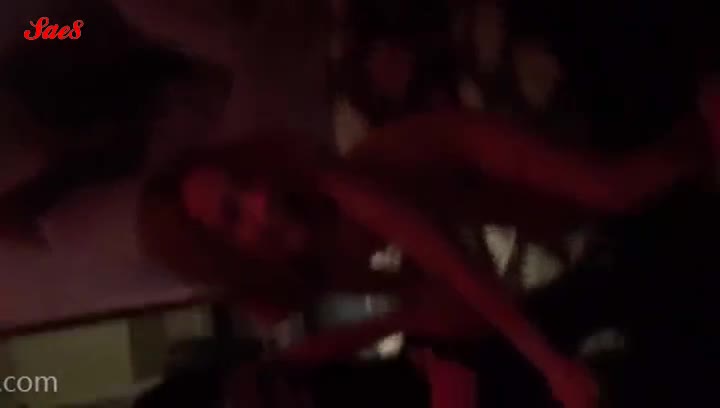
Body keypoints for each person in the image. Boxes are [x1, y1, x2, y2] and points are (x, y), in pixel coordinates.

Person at [138, 107, 713, 408]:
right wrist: (408, 315)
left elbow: (454, 269)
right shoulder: (295, 274)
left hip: (449, 156)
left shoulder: (327, 185)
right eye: (233, 216)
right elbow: (318, 345)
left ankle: (705, 124)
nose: (259, 201)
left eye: (243, 181)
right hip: (456, 208)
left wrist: (551, 366)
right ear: (225, 253)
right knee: (571, 219)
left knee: (611, 190)